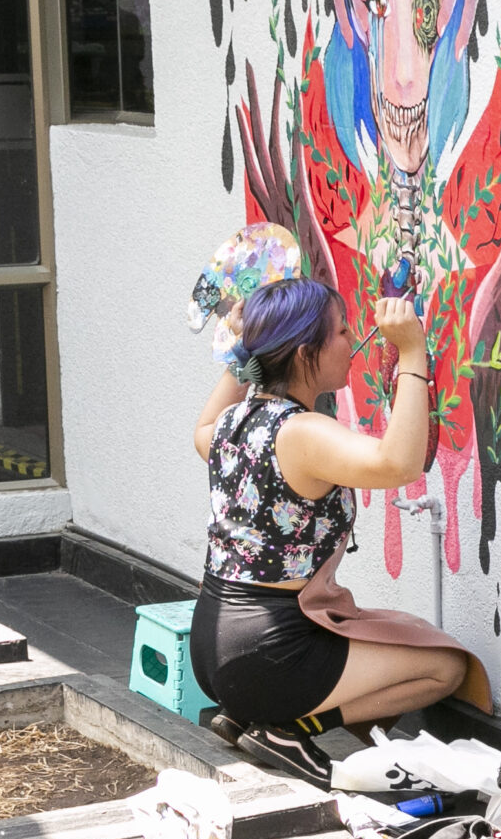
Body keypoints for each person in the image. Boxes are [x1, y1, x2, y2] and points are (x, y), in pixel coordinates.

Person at [190, 276, 471, 781]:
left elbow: (200, 432)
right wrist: (412, 353)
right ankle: (291, 727)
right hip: (271, 655)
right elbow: (398, 464)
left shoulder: (232, 422)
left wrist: (242, 353)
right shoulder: (300, 430)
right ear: (305, 354)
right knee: (446, 668)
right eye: (341, 331)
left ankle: (254, 712)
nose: (352, 339)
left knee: (403, 629)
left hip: (214, 645)